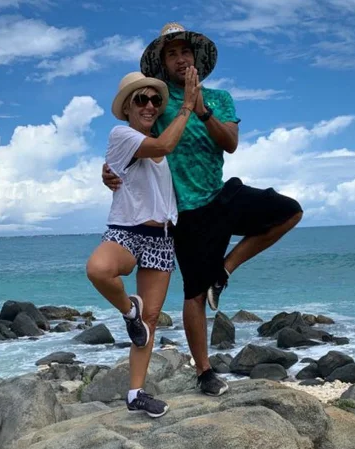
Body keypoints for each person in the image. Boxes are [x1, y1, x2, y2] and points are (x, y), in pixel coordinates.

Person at [102, 23, 303, 397]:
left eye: (185, 52)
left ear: (195, 58)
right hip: (184, 213)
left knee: (289, 212)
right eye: (171, 54)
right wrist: (109, 170)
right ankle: (204, 372)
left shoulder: (220, 98)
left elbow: (231, 144)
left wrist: (202, 109)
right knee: (193, 295)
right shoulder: (158, 104)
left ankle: (223, 271)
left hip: (220, 194)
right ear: (163, 63)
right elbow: (135, 144)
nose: (180, 59)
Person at [86, 67, 200, 417]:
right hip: (127, 230)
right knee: (99, 269)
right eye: (141, 100)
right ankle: (127, 310)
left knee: (149, 320)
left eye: (154, 100)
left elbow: (171, 152)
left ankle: (136, 393)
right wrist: (187, 106)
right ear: (127, 108)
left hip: (162, 236)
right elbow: (163, 145)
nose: (149, 105)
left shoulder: (163, 143)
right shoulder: (122, 134)